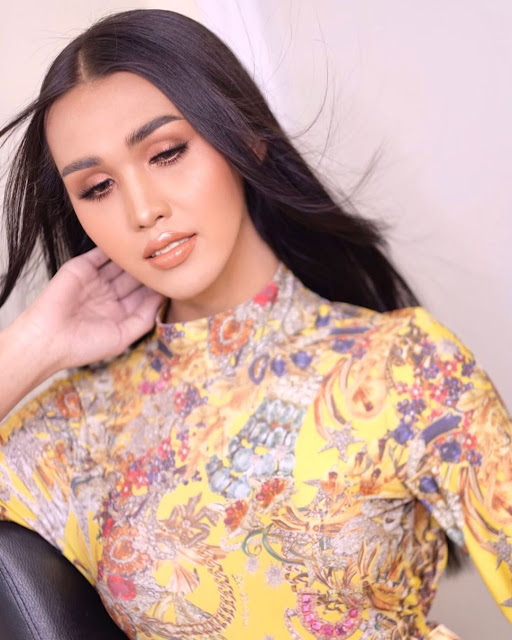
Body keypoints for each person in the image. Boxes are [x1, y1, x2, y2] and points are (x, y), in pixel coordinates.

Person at [0, 8, 510, 640]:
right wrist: (34, 344)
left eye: (167, 152)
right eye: (97, 187)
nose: (143, 210)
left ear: (244, 138)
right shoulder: (79, 426)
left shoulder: (403, 367)